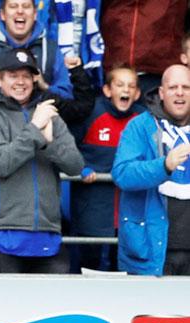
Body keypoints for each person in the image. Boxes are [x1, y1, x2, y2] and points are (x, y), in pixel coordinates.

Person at [0, 48, 84, 273]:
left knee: (55, 308)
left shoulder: (48, 114)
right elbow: (1, 163)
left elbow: (75, 166)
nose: (20, 82)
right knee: (1, 309)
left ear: (34, 80)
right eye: (13, 75)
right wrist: (35, 130)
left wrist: (49, 144)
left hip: (47, 236)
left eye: (26, 76)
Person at [112, 65, 190, 276]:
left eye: (186, 87)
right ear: (162, 93)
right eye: (173, 87)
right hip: (150, 251)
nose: (180, 92)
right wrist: (163, 166)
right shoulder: (140, 126)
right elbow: (122, 174)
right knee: (150, 311)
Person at [70, 65, 144, 272]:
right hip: (92, 207)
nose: (126, 90)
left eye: (131, 86)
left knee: (124, 268)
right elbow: (66, 147)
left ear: (137, 93)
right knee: (88, 265)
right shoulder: (90, 112)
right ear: (107, 90)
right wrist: (80, 167)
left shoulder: (143, 119)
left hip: (130, 208)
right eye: (120, 85)